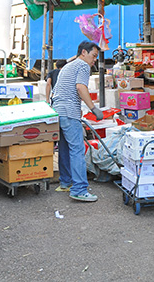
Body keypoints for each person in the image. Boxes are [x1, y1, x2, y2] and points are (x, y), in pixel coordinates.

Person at [51, 41, 102, 202]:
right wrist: (94, 108)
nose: (94, 60)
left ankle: (66, 182)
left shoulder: (69, 65)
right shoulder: (82, 66)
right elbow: (81, 87)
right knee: (77, 149)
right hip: (68, 111)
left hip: (58, 110)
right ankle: (79, 189)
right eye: (93, 56)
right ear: (83, 53)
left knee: (65, 148)